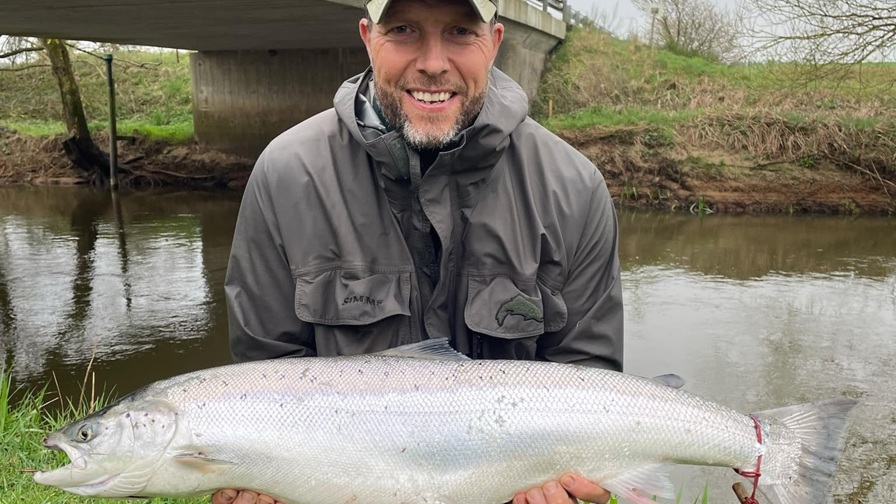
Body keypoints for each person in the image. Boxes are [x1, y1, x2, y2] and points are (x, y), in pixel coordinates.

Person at [215, 0, 623, 500]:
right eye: (404, 30)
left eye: (459, 32)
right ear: (368, 38)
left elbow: (592, 381)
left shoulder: (574, 188)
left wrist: (576, 475)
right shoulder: (285, 176)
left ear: (494, 43)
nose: (433, 62)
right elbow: (263, 377)